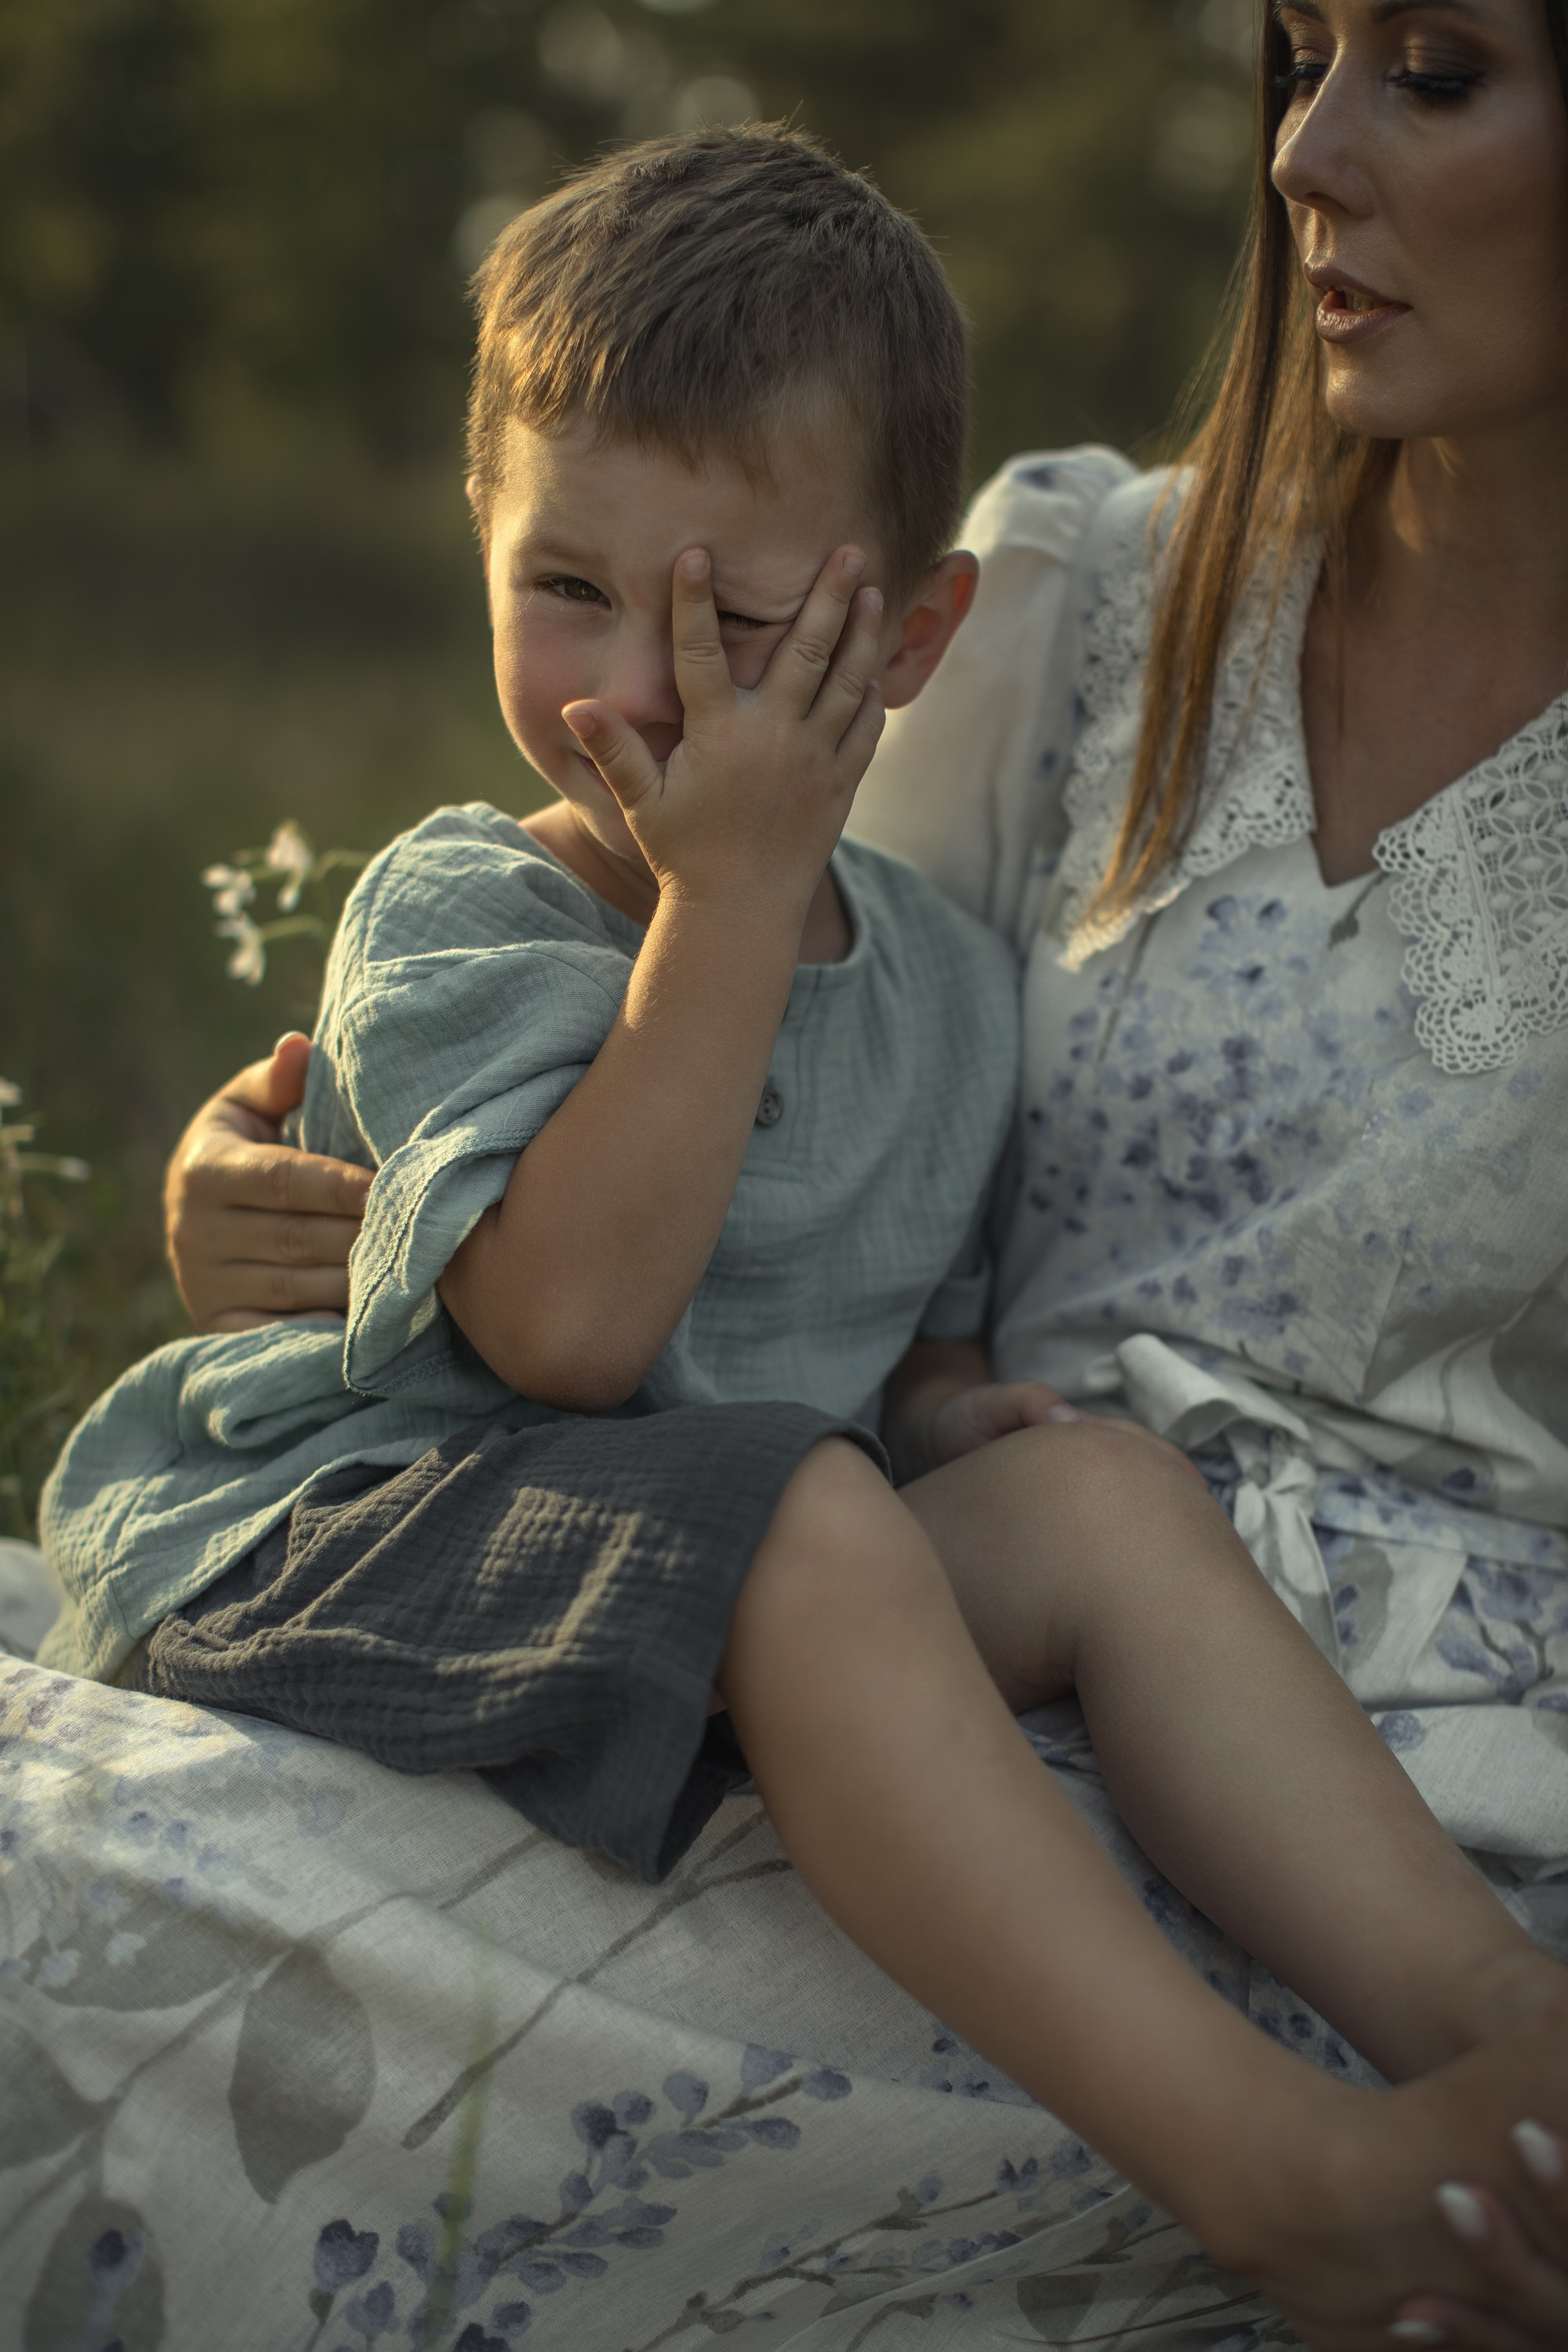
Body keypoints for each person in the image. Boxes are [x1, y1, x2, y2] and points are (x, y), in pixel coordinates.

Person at [82, 95, 1568, 2352]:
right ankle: (1277, 2169)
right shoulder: (469, 906)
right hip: (393, 1523)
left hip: (734, 1567)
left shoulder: (951, 989)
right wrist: (735, 899)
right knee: (792, 1515)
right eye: (565, 588)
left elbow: (911, 1316)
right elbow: (571, 1336)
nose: (642, 696)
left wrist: (974, 1411)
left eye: (742, 626)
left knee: (1094, 1497)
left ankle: (1492, 2021)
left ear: (906, 639)